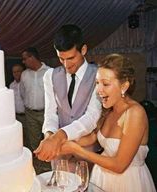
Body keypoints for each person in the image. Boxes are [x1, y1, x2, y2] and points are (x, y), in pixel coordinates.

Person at [60, 54, 156, 192]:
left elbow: (119, 165)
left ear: (124, 86)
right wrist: (63, 141)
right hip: (101, 179)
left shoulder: (135, 113)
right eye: (97, 83)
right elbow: (93, 138)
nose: (99, 90)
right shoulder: (109, 109)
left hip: (128, 183)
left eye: (105, 84)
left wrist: (76, 150)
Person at [34, 24, 101, 170]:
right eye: (61, 59)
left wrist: (60, 136)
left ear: (83, 50)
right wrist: (49, 137)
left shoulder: (99, 75)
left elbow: (92, 116)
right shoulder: (50, 75)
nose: (66, 65)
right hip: (59, 153)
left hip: (87, 152)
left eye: (71, 58)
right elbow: (51, 113)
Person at [20, 47, 50, 174]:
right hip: (30, 113)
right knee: (34, 141)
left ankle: (49, 167)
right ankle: (38, 167)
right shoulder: (24, 74)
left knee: (48, 140)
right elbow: (22, 93)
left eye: (25, 59)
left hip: (47, 113)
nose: (23, 62)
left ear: (32, 58)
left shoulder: (50, 72)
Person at [9, 64, 28, 147]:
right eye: (14, 72)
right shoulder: (11, 86)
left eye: (18, 71)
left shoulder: (27, 83)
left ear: (23, 72)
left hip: (27, 115)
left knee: (29, 136)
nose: (16, 74)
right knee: (19, 137)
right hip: (16, 116)